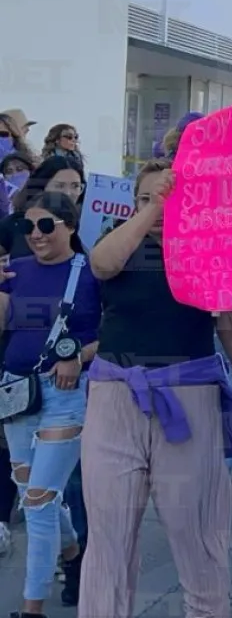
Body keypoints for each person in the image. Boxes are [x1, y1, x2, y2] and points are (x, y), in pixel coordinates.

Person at [78, 159, 232, 617]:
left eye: (168, 198)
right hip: (115, 395)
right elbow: (102, 265)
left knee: (198, 538)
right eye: (144, 197)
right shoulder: (116, 240)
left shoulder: (209, 248)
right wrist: (150, 211)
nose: (157, 206)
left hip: (188, 396)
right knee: (108, 540)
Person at [0, 192, 100, 618]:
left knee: (38, 501)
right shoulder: (15, 271)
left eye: (45, 226)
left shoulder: (91, 271)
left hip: (65, 393)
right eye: (27, 227)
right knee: (32, 491)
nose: (35, 235)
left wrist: (76, 356)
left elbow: (113, 330)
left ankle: (31, 607)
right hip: (14, 390)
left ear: (70, 226)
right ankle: (73, 549)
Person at [0, 156, 86, 259]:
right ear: (42, 187)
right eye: (59, 186)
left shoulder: (89, 224)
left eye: (75, 186)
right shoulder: (16, 222)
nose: (68, 193)